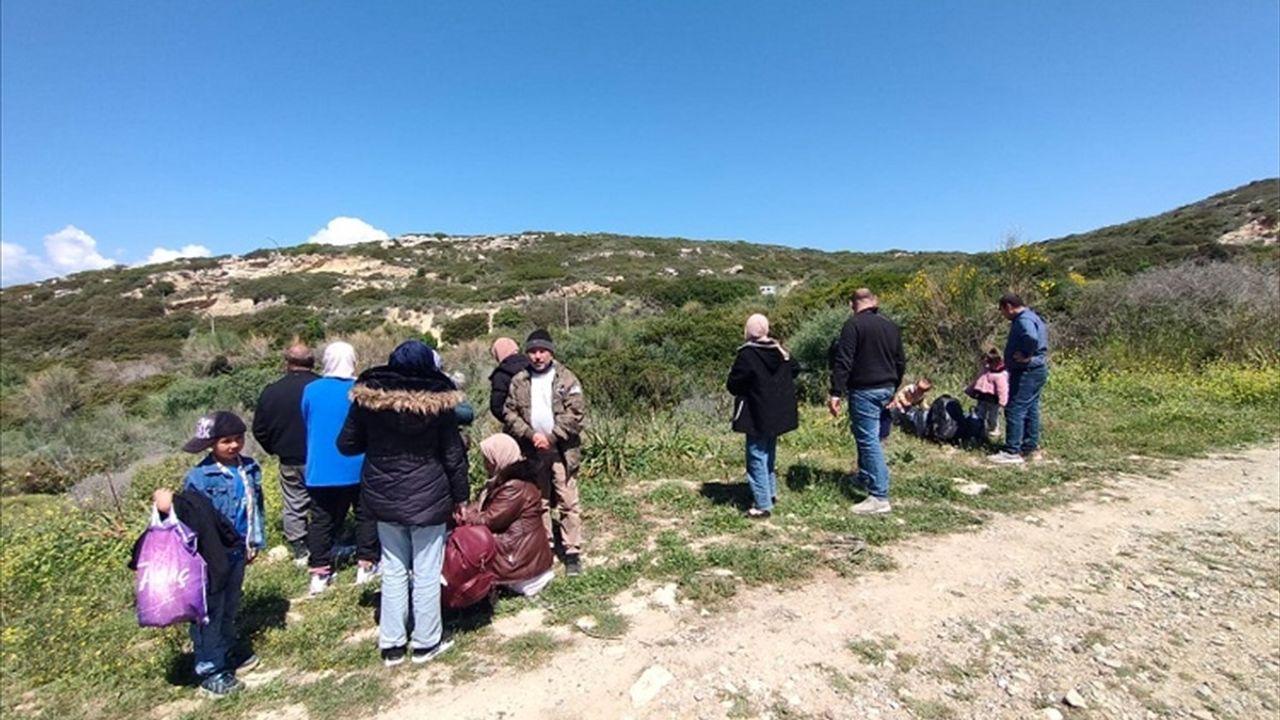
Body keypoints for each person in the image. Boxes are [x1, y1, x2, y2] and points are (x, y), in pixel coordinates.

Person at [338, 340, 469, 667]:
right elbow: (454, 456)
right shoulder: (439, 402)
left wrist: (379, 441)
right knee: (426, 571)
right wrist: (461, 496)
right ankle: (426, 643)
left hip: (382, 495)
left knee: (394, 570)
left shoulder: (368, 400)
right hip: (429, 494)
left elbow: (347, 444)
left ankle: (392, 645)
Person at [177, 411, 266, 697]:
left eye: (238, 439)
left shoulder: (249, 468)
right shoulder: (200, 477)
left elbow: (255, 507)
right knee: (209, 611)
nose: (234, 445)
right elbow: (192, 521)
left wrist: (254, 540)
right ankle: (209, 669)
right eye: (225, 441)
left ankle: (226, 649)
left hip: (239, 549)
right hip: (212, 555)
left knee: (230, 604)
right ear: (210, 444)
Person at [502, 329, 586, 576]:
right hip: (532, 450)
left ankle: (572, 551)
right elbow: (509, 413)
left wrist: (551, 437)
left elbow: (576, 414)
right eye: (533, 351)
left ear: (551, 352)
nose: (538, 356)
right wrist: (531, 435)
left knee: (568, 500)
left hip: (561, 449)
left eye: (542, 351)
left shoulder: (566, 378)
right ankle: (545, 547)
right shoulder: (519, 380)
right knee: (539, 501)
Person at [302, 342, 380, 594]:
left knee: (321, 520)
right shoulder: (362, 389)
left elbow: (306, 418)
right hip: (357, 464)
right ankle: (366, 564)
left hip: (322, 467)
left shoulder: (311, 390)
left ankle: (319, 572)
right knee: (365, 515)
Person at [828, 288, 906, 515]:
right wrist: (895, 387)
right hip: (887, 387)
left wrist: (835, 392)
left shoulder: (853, 326)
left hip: (865, 389)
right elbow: (900, 360)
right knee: (871, 437)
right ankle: (865, 477)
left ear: (853, 304)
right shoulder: (890, 325)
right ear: (874, 301)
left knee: (868, 440)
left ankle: (879, 496)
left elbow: (844, 360)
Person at [459, 434, 555, 596]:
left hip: (519, 564)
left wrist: (462, 515)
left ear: (498, 457)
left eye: (487, 459)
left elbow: (489, 520)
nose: (485, 464)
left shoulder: (514, 488)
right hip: (523, 559)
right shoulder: (507, 482)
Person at [726, 313, 799, 518]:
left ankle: (762, 505)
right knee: (768, 454)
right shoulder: (780, 351)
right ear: (766, 330)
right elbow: (795, 369)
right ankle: (770, 493)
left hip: (756, 412)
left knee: (756, 456)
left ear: (748, 332)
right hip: (778, 412)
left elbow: (733, 385)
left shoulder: (747, 354)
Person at [251, 344, 318, 564]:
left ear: (286, 363)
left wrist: (275, 448)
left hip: (289, 457)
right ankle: (324, 544)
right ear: (313, 362)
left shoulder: (272, 391)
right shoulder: (320, 387)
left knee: (294, 502)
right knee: (323, 502)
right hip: (320, 457)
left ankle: (299, 548)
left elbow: (259, 428)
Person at [989, 293, 1049, 464]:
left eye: (1003, 311)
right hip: (1037, 370)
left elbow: (1030, 337)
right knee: (1030, 409)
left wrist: (1025, 355)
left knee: (1015, 408)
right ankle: (1030, 447)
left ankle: (1012, 451)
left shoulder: (1023, 320)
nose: (1004, 316)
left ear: (1008, 306)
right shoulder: (1032, 316)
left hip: (1026, 372)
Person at [965, 349, 1009, 440]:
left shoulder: (1000, 376)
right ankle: (979, 431)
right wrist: (970, 390)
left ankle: (993, 430)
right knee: (979, 415)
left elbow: (1003, 389)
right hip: (982, 397)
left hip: (994, 399)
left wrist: (1003, 401)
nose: (987, 364)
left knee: (993, 416)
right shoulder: (985, 371)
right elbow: (977, 380)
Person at [488, 336, 529, 423]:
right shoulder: (533, 365)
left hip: (516, 426)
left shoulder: (501, 374)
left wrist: (512, 422)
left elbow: (497, 407)